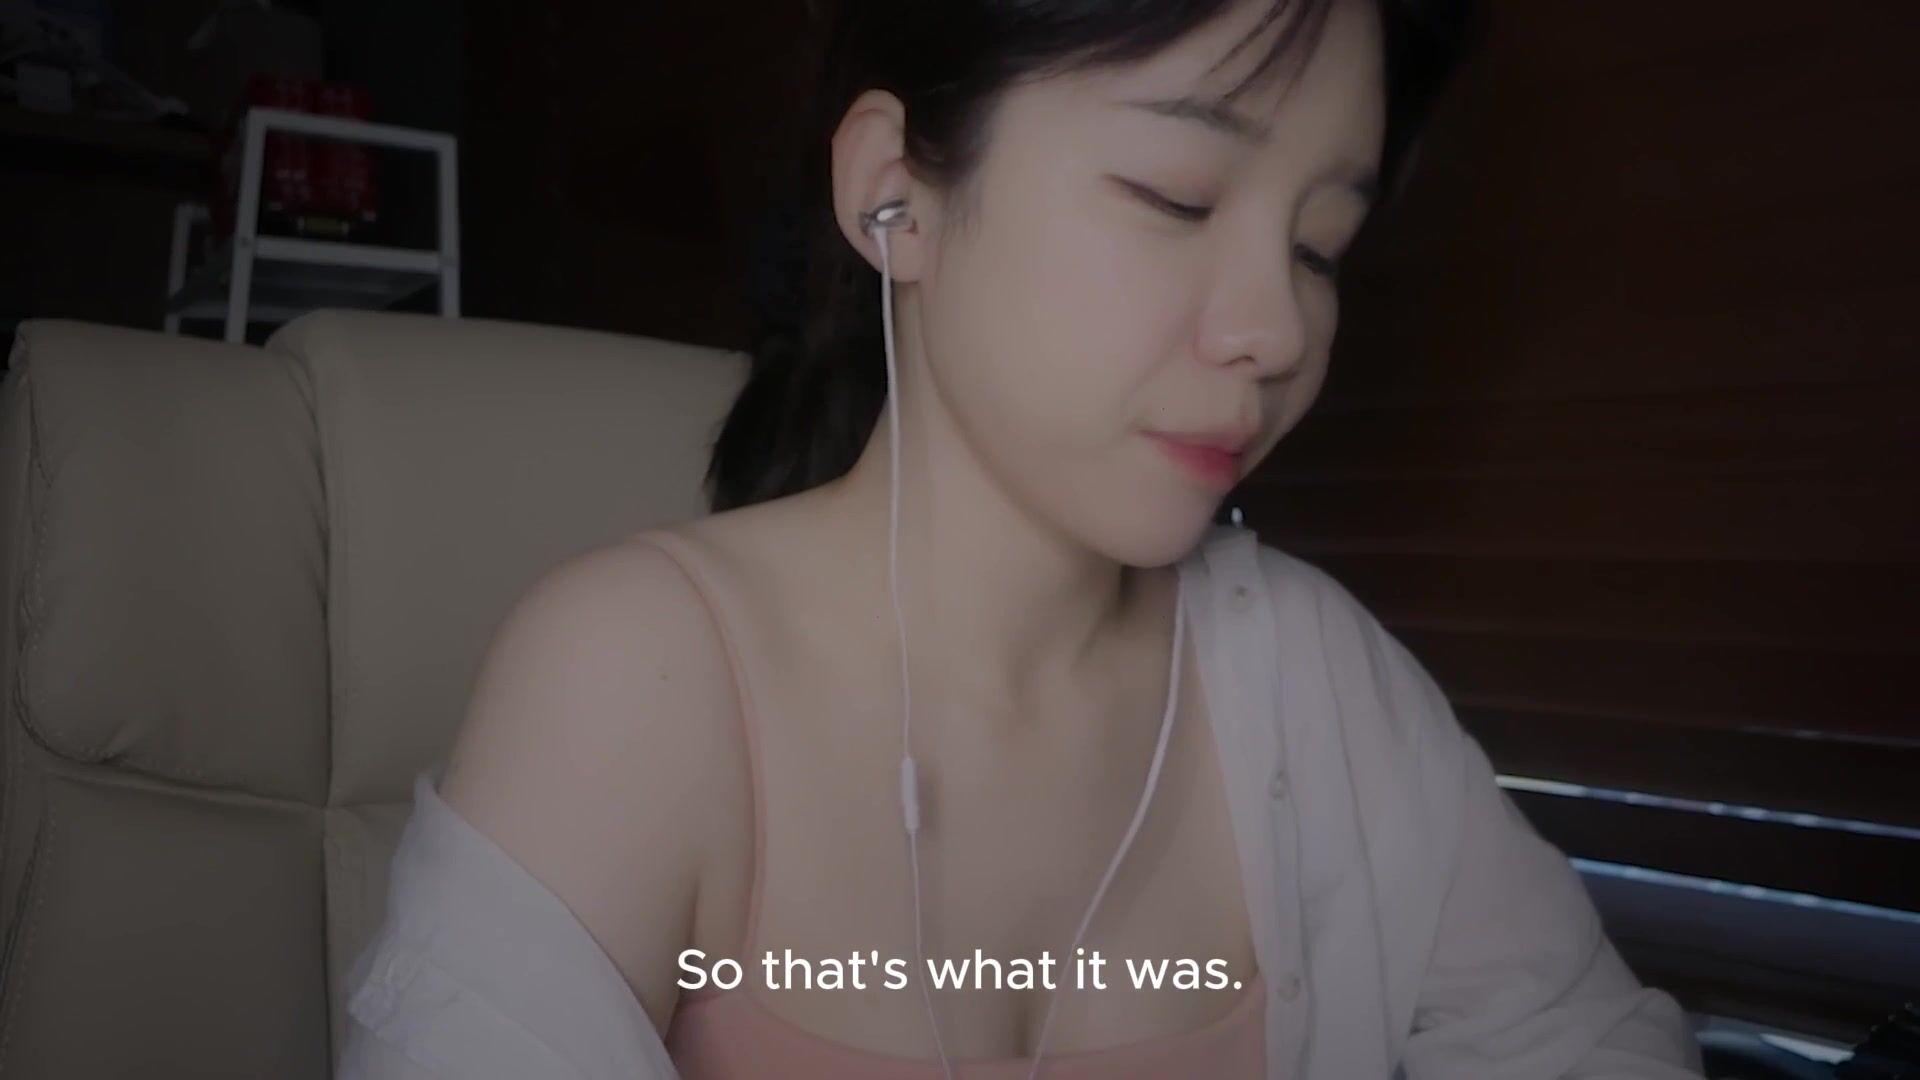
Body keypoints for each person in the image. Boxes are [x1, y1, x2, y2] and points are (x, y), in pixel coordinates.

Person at [338, 0, 1708, 1076]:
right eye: (1179, 196)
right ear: (896, 194)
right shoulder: (636, 680)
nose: (1277, 331)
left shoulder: (1320, 685)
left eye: (1319, 249)